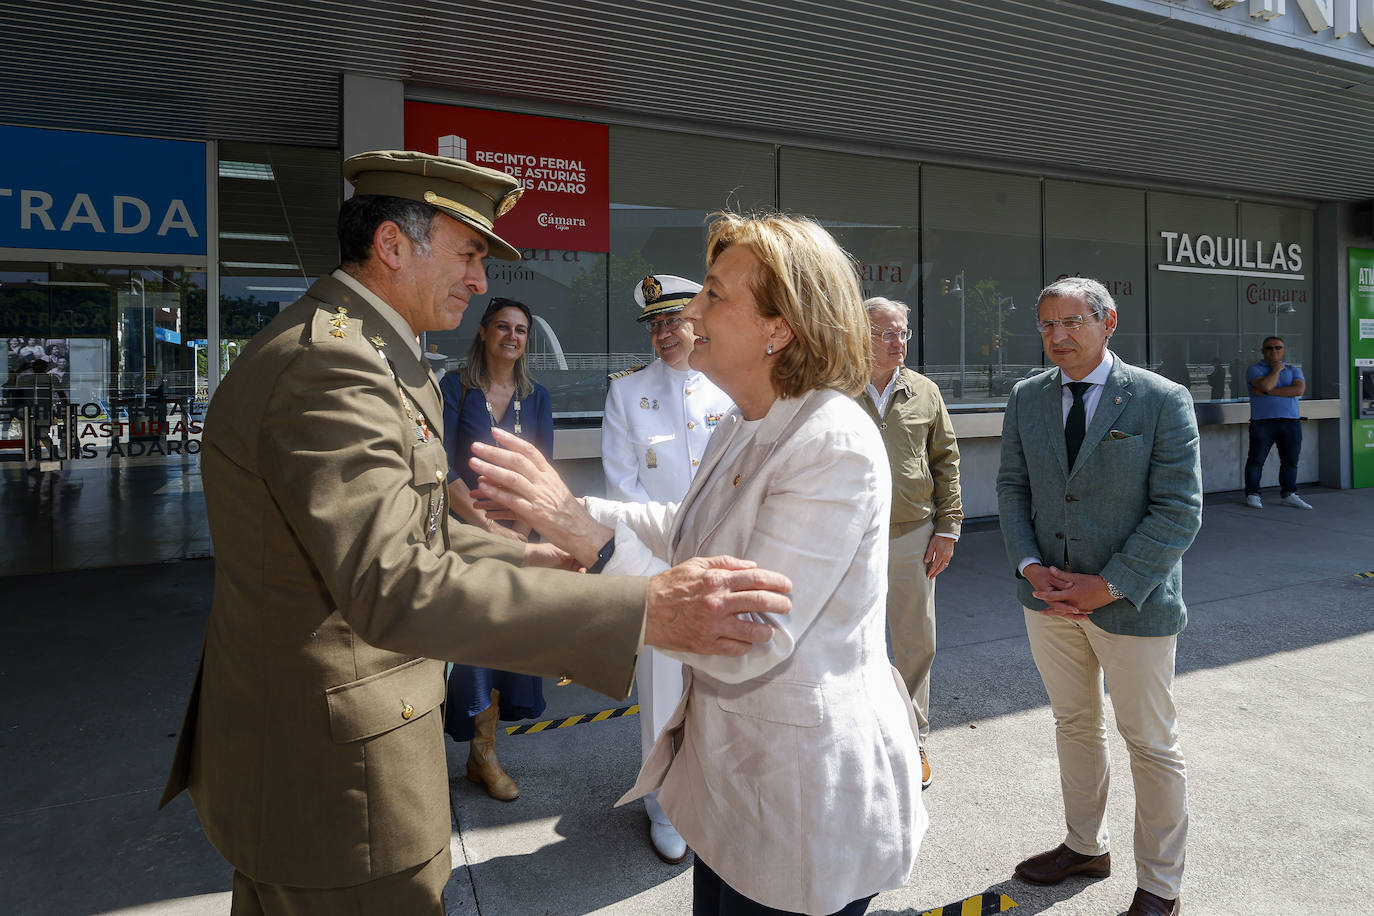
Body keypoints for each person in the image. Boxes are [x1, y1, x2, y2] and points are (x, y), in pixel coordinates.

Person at [158, 150, 794, 915]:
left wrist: (526, 555)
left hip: (314, 753)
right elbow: (393, 583)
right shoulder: (333, 368)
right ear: (393, 245)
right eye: (468, 253)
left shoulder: (366, 350)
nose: (481, 280)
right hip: (331, 780)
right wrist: (643, 609)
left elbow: (414, 527)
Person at [472, 212, 926, 916]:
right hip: (730, 788)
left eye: (714, 294)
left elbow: (748, 635)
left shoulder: (831, 441)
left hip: (798, 805)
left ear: (780, 327)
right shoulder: (746, 420)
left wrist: (591, 544)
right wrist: (565, 512)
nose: (690, 311)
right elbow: (682, 527)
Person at [997, 277, 1202, 916]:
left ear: (1108, 322)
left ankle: (1160, 885)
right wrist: (1031, 566)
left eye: (1072, 323)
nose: (1058, 337)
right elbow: (1012, 488)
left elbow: (1179, 510)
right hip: (1048, 602)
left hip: (1131, 604)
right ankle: (1085, 846)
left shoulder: (1160, 400)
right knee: (1075, 725)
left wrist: (1105, 584)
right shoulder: (1027, 398)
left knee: (1150, 742)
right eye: (1047, 325)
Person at [601, 273, 732, 863]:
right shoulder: (628, 393)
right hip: (660, 564)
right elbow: (623, 491)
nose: (663, 333)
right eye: (654, 325)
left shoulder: (728, 387)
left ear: (696, 321)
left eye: (673, 320)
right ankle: (663, 804)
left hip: (727, 560)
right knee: (660, 688)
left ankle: (718, 789)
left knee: (726, 685)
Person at [438, 297, 554, 800]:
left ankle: (482, 751)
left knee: (510, 644)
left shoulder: (537, 396)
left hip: (521, 537)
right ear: (484, 332)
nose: (512, 336)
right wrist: (488, 526)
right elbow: (441, 467)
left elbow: (543, 471)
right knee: (475, 651)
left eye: (521, 330)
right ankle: (483, 754)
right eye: (503, 327)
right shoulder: (454, 388)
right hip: (468, 535)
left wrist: (526, 532)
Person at [857, 296, 961, 790]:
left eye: (903, 333)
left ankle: (913, 736)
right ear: (861, 333)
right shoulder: (834, 388)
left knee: (915, 639)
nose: (898, 343)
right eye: (887, 333)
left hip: (911, 534)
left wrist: (947, 528)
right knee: (850, 638)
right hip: (848, 538)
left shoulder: (924, 392)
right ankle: (857, 735)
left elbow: (946, 460)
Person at [1243, 335, 1311, 510]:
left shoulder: (1294, 370)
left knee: (1290, 460)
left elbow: (1298, 390)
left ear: (1284, 350)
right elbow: (1265, 386)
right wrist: (1276, 370)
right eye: (1269, 348)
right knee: (1256, 460)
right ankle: (1253, 494)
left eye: (1278, 347)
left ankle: (1289, 494)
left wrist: (1268, 391)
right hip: (1263, 422)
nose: (1274, 351)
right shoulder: (1254, 369)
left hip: (1291, 422)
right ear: (1262, 351)